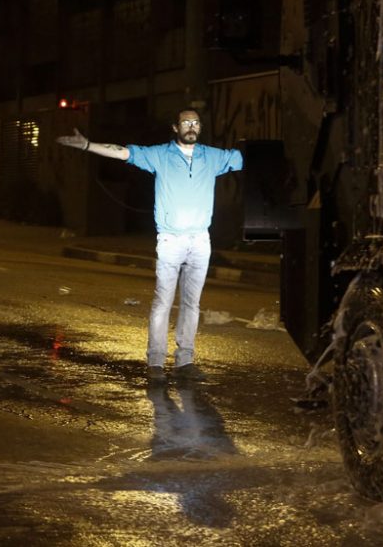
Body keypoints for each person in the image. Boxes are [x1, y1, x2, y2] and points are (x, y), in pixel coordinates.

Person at [56, 108, 243, 383]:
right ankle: (155, 363)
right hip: (170, 240)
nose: (191, 127)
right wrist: (87, 145)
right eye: (185, 123)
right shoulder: (160, 155)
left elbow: (244, 158)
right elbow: (123, 152)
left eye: (195, 123)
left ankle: (185, 361)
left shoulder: (212, 157)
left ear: (200, 128)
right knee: (163, 302)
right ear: (175, 127)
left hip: (200, 240)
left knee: (192, 303)